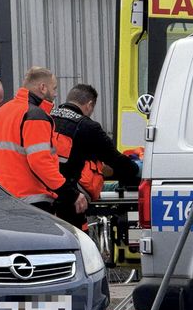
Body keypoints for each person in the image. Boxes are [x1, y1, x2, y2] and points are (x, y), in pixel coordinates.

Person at [0, 67, 87, 215]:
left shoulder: (4, 111)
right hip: (33, 201)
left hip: (5, 197)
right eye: (54, 89)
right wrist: (71, 193)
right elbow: (41, 162)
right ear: (42, 88)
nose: (55, 94)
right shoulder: (35, 115)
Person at [51, 83, 139, 229]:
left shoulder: (48, 117)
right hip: (71, 199)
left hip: (45, 196)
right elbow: (114, 159)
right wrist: (136, 170)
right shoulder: (88, 127)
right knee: (79, 243)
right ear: (89, 104)